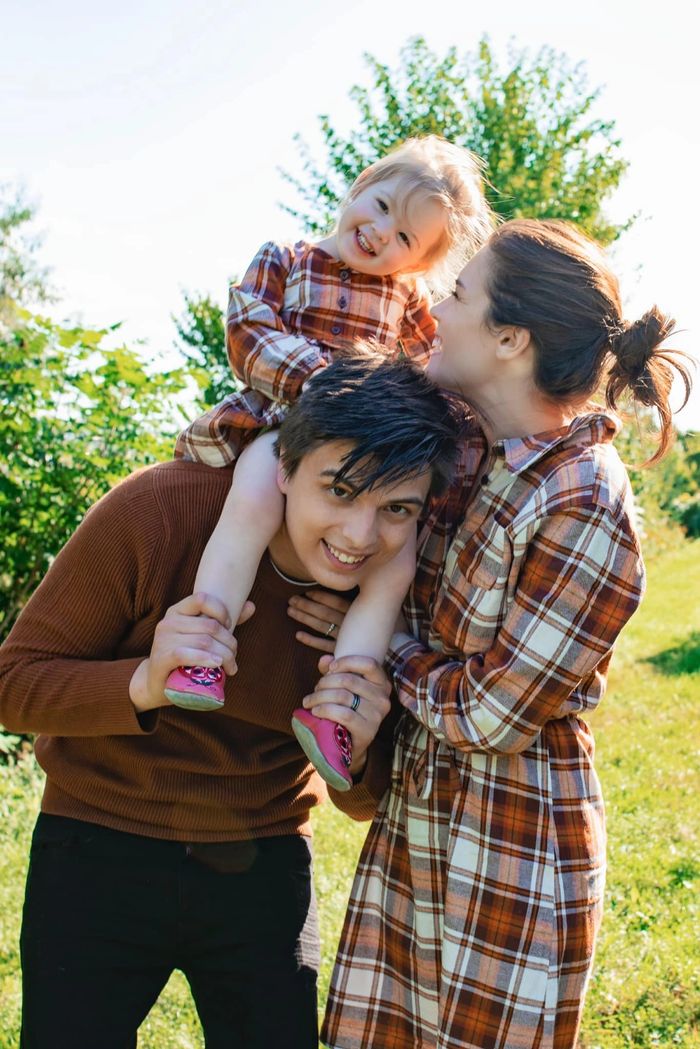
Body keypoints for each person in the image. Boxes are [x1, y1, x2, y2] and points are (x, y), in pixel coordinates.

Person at [0, 355, 462, 1049]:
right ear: (283, 467)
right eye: (339, 489)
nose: (360, 538)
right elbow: (14, 684)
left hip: (265, 865)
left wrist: (365, 749)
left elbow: (362, 800)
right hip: (96, 848)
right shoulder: (159, 511)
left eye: (396, 508)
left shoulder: (395, 591)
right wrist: (146, 681)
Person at [319, 220, 693, 1049]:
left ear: (509, 339)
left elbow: (492, 713)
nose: (434, 312)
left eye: (457, 295)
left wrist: (380, 648)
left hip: (511, 847)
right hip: (422, 818)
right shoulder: (468, 454)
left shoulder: (581, 496)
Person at [165, 135, 492, 790]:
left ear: (419, 261)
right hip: (281, 425)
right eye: (377, 207)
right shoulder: (286, 259)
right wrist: (319, 383)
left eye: (404, 237)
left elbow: (434, 387)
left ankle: (338, 711)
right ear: (358, 185)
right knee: (253, 501)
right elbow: (248, 326)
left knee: (393, 565)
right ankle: (203, 644)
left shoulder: (410, 311)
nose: (378, 234)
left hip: (369, 462)